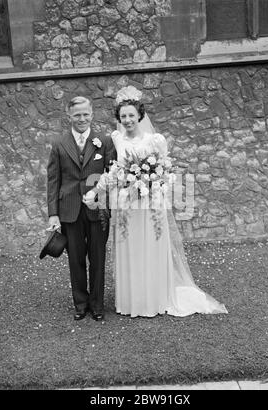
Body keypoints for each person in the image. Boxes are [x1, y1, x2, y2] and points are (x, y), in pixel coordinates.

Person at [84, 86, 228, 318]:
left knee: (150, 248)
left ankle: (154, 298)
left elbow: (166, 173)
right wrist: (96, 191)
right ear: (118, 119)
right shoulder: (116, 139)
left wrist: (151, 184)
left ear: (140, 115)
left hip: (151, 205)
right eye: (123, 116)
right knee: (130, 250)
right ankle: (132, 300)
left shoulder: (156, 140)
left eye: (131, 115)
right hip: (126, 206)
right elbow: (112, 173)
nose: (128, 120)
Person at [46, 96, 116, 321]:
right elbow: (53, 181)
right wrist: (53, 214)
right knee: (75, 259)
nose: (82, 118)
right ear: (69, 116)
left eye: (86, 114)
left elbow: (112, 175)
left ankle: (97, 305)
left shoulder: (104, 142)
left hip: (98, 210)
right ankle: (80, 304)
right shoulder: (59, 144)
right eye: (77, 115)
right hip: (69, 211)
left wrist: (100, 197)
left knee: (97, 258)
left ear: (92, 114)